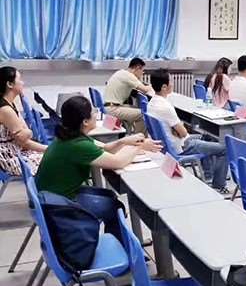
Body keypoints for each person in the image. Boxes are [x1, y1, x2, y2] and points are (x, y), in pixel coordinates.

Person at [35, 96, 162, 239]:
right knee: (114, 207)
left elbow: (106, 148)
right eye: (92, 112)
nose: (96, 113)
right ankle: (122, 250)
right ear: (85, 121)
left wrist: (125, 141)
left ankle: (124, 244)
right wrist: (140, 146)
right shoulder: (78, 145)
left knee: (110, 198)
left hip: (52, 196)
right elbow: (118, 162)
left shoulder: (70, 135)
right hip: (59, 205)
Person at [148, 69, 231, 193]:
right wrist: (179, 127)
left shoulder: (152, 103)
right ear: (164, 87)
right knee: (225, 148)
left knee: (207, 137)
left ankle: (207, 175)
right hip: (179, 148)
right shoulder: (166, 107)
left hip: (166, 145)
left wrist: (177, 127)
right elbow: (184, 134)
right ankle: (219, 185)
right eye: (170, 82)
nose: (172, 84)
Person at [0, 66, 46, 175]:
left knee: (55, 157)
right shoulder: (5, 109)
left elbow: (25, 133)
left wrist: (26, 133)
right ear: (10, 84)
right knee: (55, 160)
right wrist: (48, 149)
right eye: (19, 79)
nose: (22, 83)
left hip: (18, 151)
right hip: (11, 158)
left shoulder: (10, 104)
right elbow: (24, 140)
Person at [103, 58, 154, 134]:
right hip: (113, 109)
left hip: (109, 106)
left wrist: (138, 79)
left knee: (135, 109)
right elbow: (145, 89)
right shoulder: (129, 76)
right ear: (137, 68)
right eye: (142, 70)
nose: (142, 73)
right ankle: (140, 140)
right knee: (143, 114)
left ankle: (130, 134)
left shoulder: (121, 72)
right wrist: (153, 85)